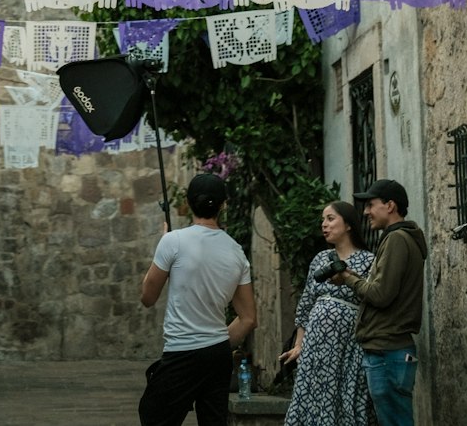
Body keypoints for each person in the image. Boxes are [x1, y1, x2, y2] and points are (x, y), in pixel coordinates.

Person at [138, 172, 257, 426]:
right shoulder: (237, 251)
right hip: (216, 356)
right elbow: (248, 319)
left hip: (181, 351)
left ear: (189, 203)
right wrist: (217, 344)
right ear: (223, 205)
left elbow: (147, 297)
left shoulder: (173, 241)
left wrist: (163, 247)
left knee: (153, 416)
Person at [330, 178, 427, 426]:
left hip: (388, 351)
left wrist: (349, 279)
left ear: (390, 205)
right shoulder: (400, 238)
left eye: (371, 205)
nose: (365, 212)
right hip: (390, 351)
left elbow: (381, 295)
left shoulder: (397, 239)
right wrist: (353, 278)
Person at [279, 201, 374, 426]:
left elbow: (372, 301)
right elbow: (306, 305)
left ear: (348, 224)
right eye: (323, 220)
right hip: (315, 348)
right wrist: (299, 345)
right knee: (311, 397)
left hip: (348, 347)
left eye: (330, 219)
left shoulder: (368, 261)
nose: (324, 225)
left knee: (345, 398)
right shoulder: (320, 259)